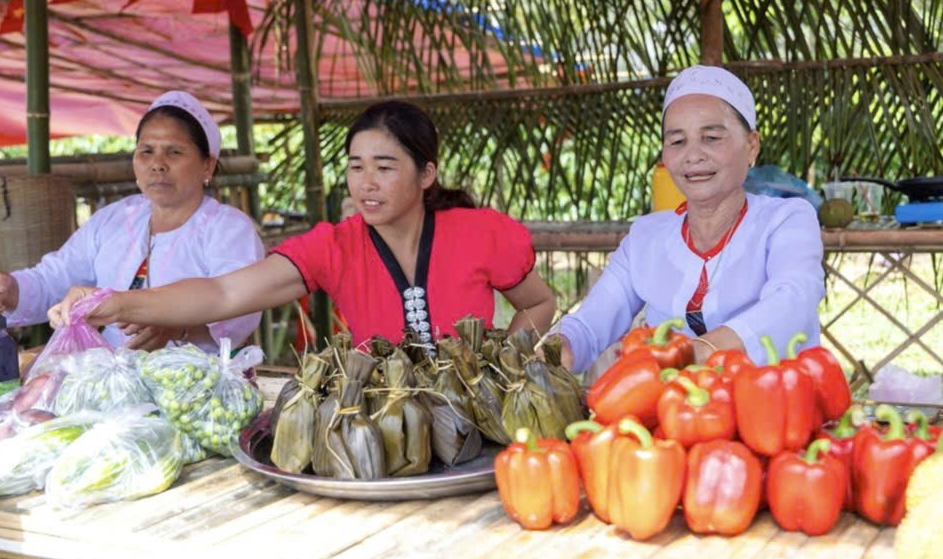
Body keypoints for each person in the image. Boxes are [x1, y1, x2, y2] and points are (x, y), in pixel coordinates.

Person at [49, 100, 557, 350]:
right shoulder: (332, 247)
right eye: (356, 167)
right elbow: (224, 294)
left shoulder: (480, 232)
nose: (367, 184)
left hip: (479, 421)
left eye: (385, 167)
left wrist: (499, 363)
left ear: (426, 174)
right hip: (382, 425)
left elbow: (540, 302)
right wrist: (115, 302)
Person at [555, 65, 825, 374]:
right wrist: (559, 348)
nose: (693, 155)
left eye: (711, 137)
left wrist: (698, 353)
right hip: (678, 417)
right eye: (677, 141)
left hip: (777, 407)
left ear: (751, 146)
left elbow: (794, 300)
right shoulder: (646, 237)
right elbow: (590, 326)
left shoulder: (786, 219)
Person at [0, 91, 265, 351]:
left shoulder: (228, 229)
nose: (157, 163)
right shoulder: (115, 219)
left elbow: (239, 308)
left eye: (174, 152)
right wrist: (10, 290)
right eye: (146, 151)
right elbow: (56, 278)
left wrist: (179, 328)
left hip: (196, 388)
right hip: (115, 384)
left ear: (207, 165)